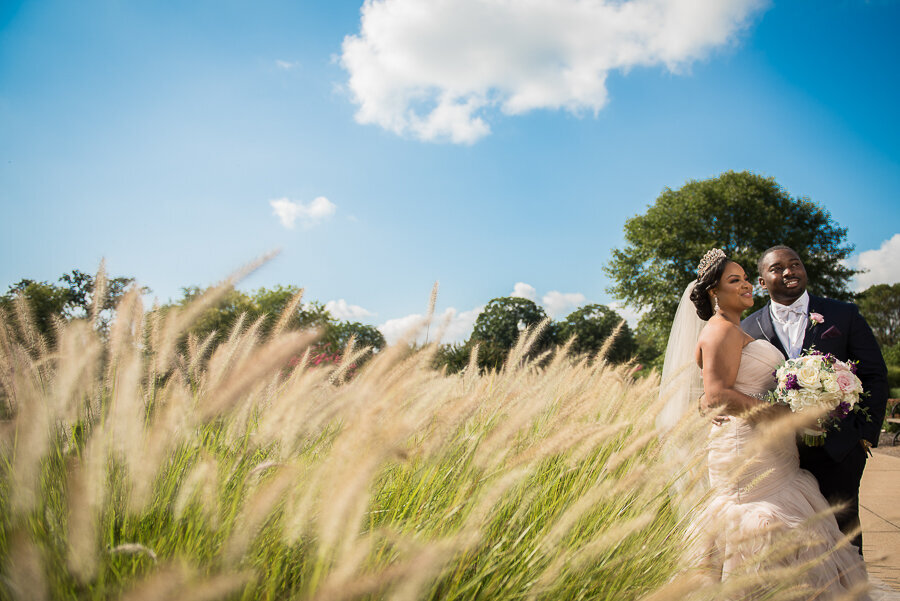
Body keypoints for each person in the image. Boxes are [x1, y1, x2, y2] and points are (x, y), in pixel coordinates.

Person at [660, 248, 870, 599]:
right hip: (747, 450)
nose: (745, 285)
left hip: (770, 448)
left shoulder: (732, 328)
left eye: (744, 278)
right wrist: (787, 415)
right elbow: (717, 396)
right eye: (734, 280)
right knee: (761, 530)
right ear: (714, 292)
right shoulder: (721, 331)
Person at [742, 245, 889, 554]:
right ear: (761, 281)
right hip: (777, 453)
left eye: (795, 264)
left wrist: (865, 435)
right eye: (777, 268)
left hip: (839, 448)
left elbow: (874, 373)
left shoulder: (843, 314)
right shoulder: (746, 328)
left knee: (844, 530)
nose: (789, 271)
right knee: (788, 536)